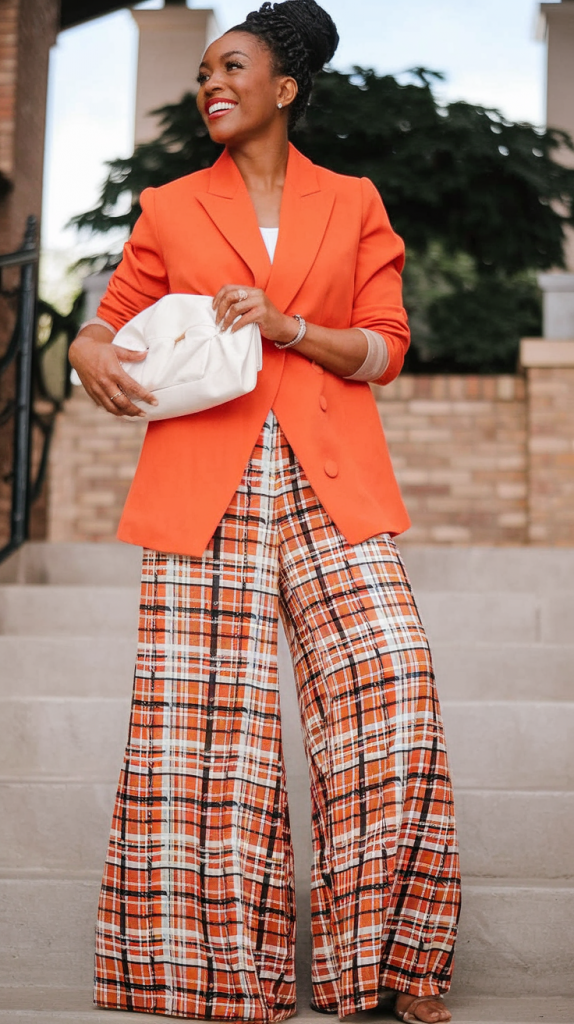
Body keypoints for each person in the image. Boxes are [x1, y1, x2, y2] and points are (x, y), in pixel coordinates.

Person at [69, 2, 461, 1022]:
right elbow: (107, 323)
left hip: (330, 472)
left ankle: (386, 966)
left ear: (284, 88)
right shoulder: (169, 206)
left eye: (231, 67)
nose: (211, 85)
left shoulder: (355, 201)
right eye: (201, 71)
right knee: (205, 735)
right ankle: (207, 977)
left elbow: (384, 346)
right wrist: (85, 354)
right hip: (205, 480)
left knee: (392, 682)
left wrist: (288, 324)